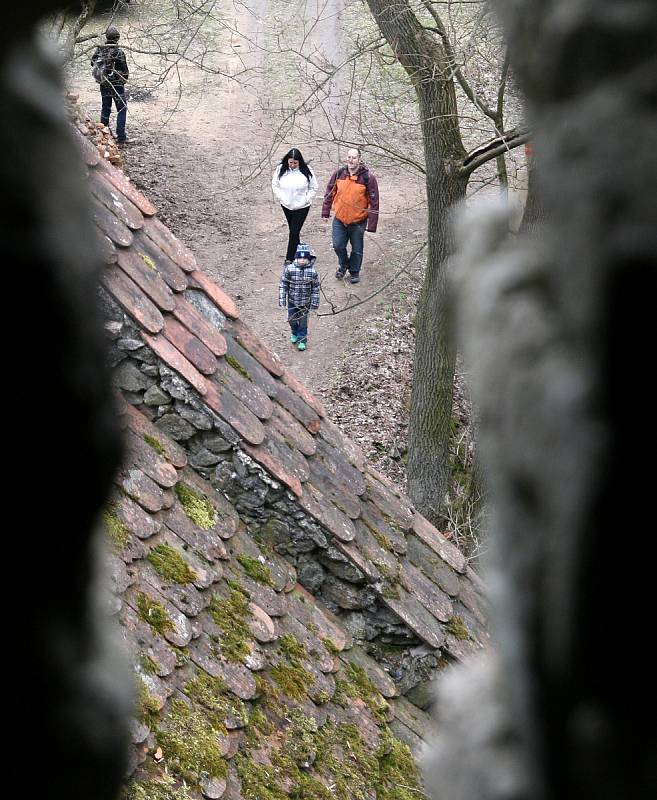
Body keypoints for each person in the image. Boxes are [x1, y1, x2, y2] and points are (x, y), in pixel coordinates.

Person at [321, 148, 379, 284]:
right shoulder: (339, 174)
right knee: (338, 245)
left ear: (359, 159)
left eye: (354, 157)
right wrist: (325, 211)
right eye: (349, 157)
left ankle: (354, 272)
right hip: (340, 219)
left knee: (357, 248)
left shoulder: (368, 178)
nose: (351, 160)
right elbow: (329, 192)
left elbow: (374, 201)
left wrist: (372, 224)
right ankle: (344, 264)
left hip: (358, 220)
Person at [272, 148, 318, 265]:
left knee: (294, 231)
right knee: (294, 231)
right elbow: (275, 185)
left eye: (295, 163)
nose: (292, 165)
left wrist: (306, 199)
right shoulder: (280, 169)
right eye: (290, 162)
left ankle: (289, 258)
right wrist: (281, 197)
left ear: (299, 162)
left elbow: (314, 187)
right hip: (286, 205)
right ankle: (300, 254)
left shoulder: (307, 171)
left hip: (302, 206)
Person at [278, 243, 320, 352]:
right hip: (292, 300)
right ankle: (294, 331)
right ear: (296, 258)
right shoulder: (289, 269)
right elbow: (283, 284)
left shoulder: (312, 272)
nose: (302, 260)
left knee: (303, 322)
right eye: (300, 258)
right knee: (291, 319)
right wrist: (282, 299)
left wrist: (315, 302)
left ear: (309, 259)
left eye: (305, 258)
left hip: (306, 302)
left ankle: (302, 340)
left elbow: (315, 288)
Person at [91, 27, 129, 145]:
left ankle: (103, 134)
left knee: (106, 107)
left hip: (104, 83)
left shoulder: (100, 49)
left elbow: (92, 62)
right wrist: (123, 80)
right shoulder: (119, 52)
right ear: (117, 38)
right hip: (117, 85)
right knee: (122, 109)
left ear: (106, 37)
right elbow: (125, 71)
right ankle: (121, 137)